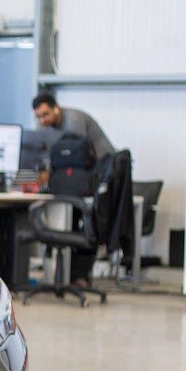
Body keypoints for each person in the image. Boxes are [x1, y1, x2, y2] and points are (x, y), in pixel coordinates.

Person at [32, 93, 116, 287]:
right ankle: (67, 276)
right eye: (38, 116)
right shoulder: (46, 128)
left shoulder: (74, 122)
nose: (42, 120)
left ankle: (79, 275)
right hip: (76, 180)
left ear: (56, 108)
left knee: (87, 224)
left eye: (45, 114)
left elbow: (74, 157)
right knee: (65, 221)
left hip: (100, 173)